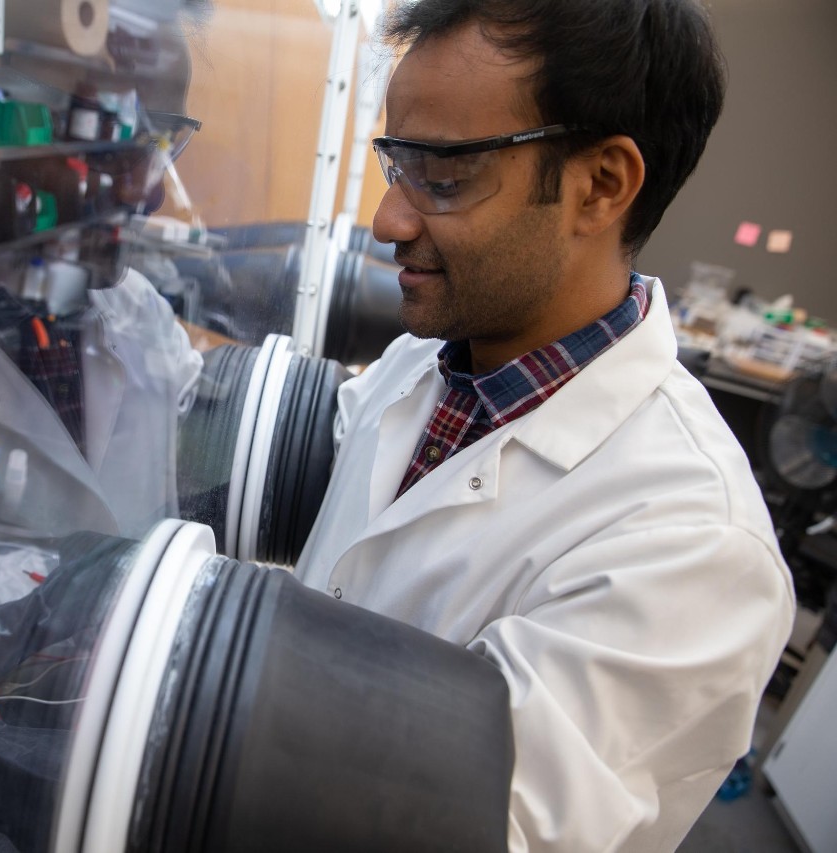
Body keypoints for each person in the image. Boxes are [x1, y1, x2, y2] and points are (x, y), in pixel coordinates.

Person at [292, 1, 794, 850]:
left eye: (442, 178)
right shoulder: (438, 359)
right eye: (395, 165)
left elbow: (458, 824)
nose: (390, 220)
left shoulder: (692, 548)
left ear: (600, 186)